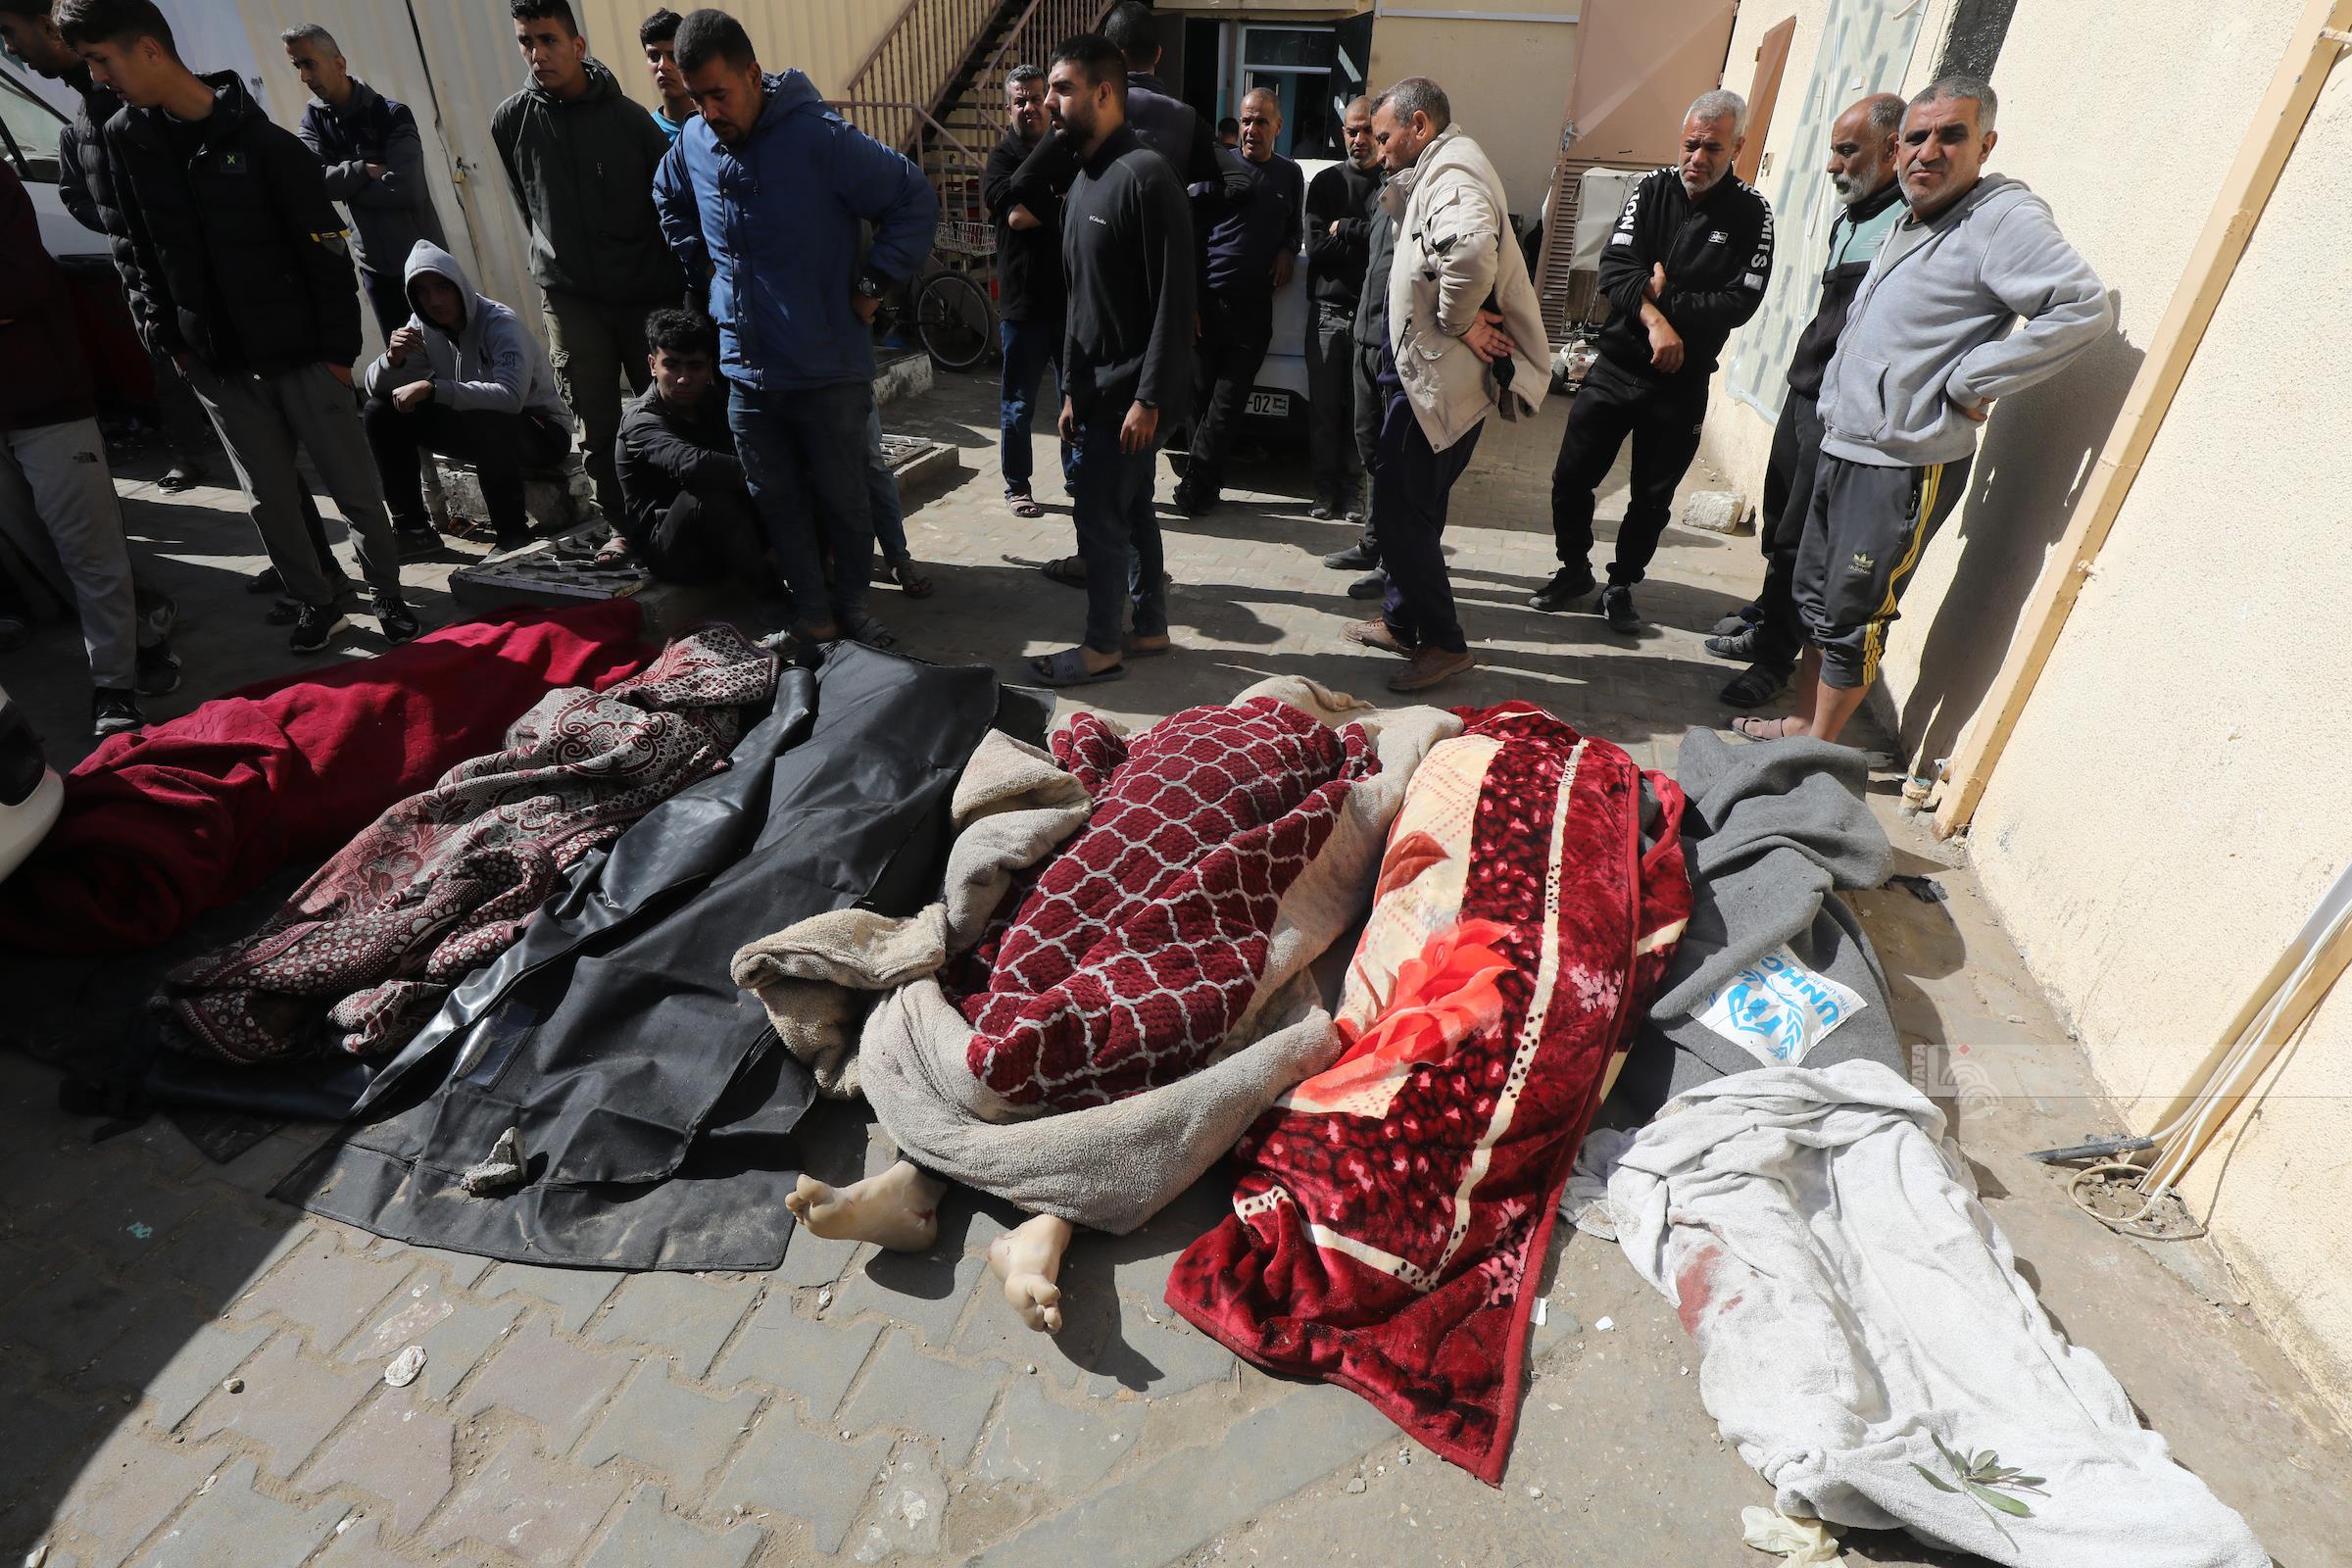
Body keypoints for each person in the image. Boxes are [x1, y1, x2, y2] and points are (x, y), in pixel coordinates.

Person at [1737, 76, 2110, 747]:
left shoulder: (2002, 219)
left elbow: (2081, 308)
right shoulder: (1910, 216)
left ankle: (1816, 754)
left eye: (1951, 136)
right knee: (1816, 600)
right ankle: (1803, 724)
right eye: (1916, 137)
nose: (1928, 152)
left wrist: (1972, 379)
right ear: (1897, 147)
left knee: (1854, 616)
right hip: (1843, 443)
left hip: (1900, 462)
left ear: (1985, 144)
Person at [60, 0, 418, 654]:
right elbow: (136, 248)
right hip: (216, 364)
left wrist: (337, 356)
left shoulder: (266, 144)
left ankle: (388, 594)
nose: (96, 76)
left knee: (355, 491)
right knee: (270, 503)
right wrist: (173, 343)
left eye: (100, 59)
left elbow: (326, 253)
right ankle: (318, 603)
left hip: (305, 358)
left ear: (149, 50)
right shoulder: (125, 138)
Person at [653, 8, 935, 649]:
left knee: (843, 499)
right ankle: (813, 615)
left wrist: (873, 286)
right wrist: (708, 272)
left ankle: (854, 609)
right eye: (696, 99)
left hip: (827, 368)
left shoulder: (820, 140)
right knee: (776, 499)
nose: (709, 112)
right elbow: (667, 195)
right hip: (748, 372)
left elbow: (912, 198)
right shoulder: (694, 141)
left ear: (753, 75)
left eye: (720, 94)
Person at [1537, 90, 1773, 633]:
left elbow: (1740, 302)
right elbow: (1613, 269)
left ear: (1737, 147)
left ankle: (1621, 586)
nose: (1697, 158)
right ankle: (1573, 569)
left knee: (1651, 498)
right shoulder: (1651, 188)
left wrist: (1666, 298)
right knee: (1570, 479)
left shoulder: (1752, 212)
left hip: (1680, 383)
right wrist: (1655, 321)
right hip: (1615, 368)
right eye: (1690, 145)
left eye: (1712, 148)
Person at [1344, 77, 1548, 693]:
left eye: (1385, 137)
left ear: (1420, 126)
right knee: (1416, 508)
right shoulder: (1438, 169)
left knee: (1400, 513)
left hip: (1431, 383)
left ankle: (1444, 643)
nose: (1378, 149)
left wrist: (1459, 321)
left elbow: (1471, 251)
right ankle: (1403, 623)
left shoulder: (1453, 174)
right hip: (1424, 377)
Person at [1709, 93, 1905, 709]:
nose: (1832, 165)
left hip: (1840, 411)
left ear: (1891, 150)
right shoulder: (1851, 218)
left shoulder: (1909, 226)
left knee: (1801, 539)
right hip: (1802, 393)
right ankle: (1769, 622)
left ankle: (1774, 662)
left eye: (1847, 151)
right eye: (1833, 151)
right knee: (1778, 526)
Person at [1026, 32, 1192, 688]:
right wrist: (1071, 387)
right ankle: (1149, 626)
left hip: (1130, 395)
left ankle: (1101, 646)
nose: (1049, 103)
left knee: (1097, 518)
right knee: (1133, 510)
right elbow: (1079, 298)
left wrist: (1150, 399)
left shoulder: (1147, 177)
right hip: (1094, 391)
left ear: (1104, 93)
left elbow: (1175, 301)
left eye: (1062, 90)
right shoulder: (1083, 179)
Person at [0, 0, 209, 494]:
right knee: (169, 371)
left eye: (10, 33)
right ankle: (191, 452)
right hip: (144, 282)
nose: (11, 49)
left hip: (191, 283)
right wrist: (123, 229)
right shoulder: (81, 119)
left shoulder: (135, 101)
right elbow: (78, 193)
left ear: (48, 27)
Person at [492, 0, 680, 524]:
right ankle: (621, 525)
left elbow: (667, 212)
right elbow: (529, 205)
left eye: (548, 40)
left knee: (664, 411)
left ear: (577, 46)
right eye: (526, 42)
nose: (537, 54)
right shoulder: (512, 120)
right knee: (595, 422)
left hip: (643, 294)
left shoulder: (630, 122)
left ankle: (677, 519)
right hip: (569, 296)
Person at [0, 160, 161, 735]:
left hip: (45, 403)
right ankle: (144, 633)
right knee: (39, 552)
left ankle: (116, 683)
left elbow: (20, 285)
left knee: (86, 548)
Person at [361, 240, 574, 553]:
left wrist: (435, 389)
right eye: (422, 292)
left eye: (442, 288)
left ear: (459, 285)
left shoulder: (500, 323)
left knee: (489, 414)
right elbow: (375, 388)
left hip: (542, 431)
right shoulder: (422, 325)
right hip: (478, 429)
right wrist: (392, 360)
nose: (434, 301)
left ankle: (513, 535)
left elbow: (511, 397)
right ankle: (413, 530)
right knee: (380, 410)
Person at [1173, 86, 1301, 517]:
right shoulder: (1218, 169)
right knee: (1199, 402)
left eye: (1261, 121)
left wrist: (1287, 249)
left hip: (1252, 310)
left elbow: (1294, 228)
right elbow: (1190, 237)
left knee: (1225, 407)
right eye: (1246, 120)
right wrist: (1191, 303)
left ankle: (1194, 485)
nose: (1251, 129)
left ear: (1278, 126)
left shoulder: (1289, 175)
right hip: (1208, 304)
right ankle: (1204, 488)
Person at [282, 24, 447, 339]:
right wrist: (362, 171)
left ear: (339, 64)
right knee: (402, 359)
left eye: (309, 64)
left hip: (423, 265)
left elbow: (406, 189)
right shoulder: (314, 121)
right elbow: (311, 184)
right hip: (375, 270)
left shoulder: (390, 114)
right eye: (297, 66)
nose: (303, 77)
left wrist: (345, 187)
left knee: (445, 353)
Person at [612, 307, 769, 585]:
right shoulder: (640, 419)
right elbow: (691, 463)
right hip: (671, 550)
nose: (683, 378)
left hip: (725, 533)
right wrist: (764, 471)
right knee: (709, 493)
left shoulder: (713, 401)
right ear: (652, 365)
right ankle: (771, 593)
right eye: (671, 365)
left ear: (709, 368)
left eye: (695, 366)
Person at [983, 64, 1073, 521]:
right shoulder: (1001, 160)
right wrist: (1062, 204)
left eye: (1036, 98)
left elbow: (1076, 203)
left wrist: (1052, 205)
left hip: (1069, 300)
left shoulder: (1067, 151)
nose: (1030, 107)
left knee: (1074, 398)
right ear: (1009, 108)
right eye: (1020, 100)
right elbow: (1016, 218)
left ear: (1048, 102)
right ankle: (1017, 486)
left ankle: (1079, 481)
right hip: (1023, 304)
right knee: (1018, 404)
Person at [1322, 136, 1398, 598]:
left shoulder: (1423, 194)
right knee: (1369, 446)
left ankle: (1394, 562)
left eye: (1385, 138)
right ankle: (1373, 543)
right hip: (1364, 339)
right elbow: (1374, 244)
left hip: (1396, 349)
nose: (1377, 149)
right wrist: (1349, 227)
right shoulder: (1385, 192)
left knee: (1396, 460)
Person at [1301, 94, 1379, 523]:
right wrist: (1365, 240)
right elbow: (1317, 248)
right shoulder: (1326, 183)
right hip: (1327, 315)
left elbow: (1389, 245)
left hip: (1371, 316)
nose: (1359, 139)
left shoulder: (1391, 185)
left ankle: (1353, 493)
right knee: (1325, 412)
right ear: (1342, 132)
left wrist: (1347, 229)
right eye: (1353, 130)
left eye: (1367, 130)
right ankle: (1325, 491)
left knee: (1360, 414)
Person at [638, 9, 692, 141]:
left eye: (673, 56)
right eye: (654, 56)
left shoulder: (717, 125)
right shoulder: (644, 135)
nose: (663, 65)